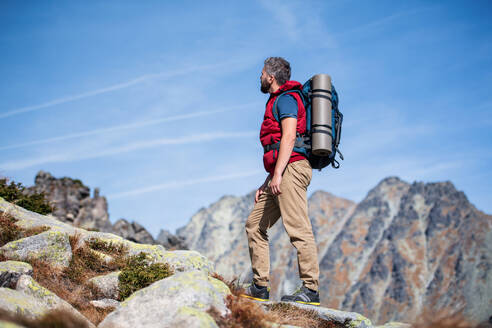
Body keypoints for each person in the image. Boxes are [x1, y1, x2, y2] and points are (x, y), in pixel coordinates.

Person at [241, 57, 320, 305]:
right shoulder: (277, 99)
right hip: (281, 170)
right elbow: (278, 146)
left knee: (298, 228)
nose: (260, 77)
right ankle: (260, 287)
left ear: (270, 77)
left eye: (262, 73)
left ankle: (311, 289)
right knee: (254, 224)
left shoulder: (286, 98)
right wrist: (268, 181)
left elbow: (288, 138)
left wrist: (277, 175)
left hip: (292, 170)